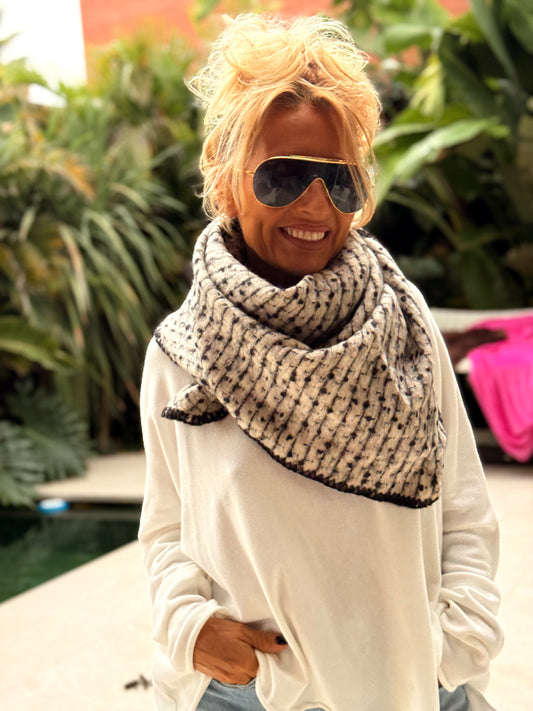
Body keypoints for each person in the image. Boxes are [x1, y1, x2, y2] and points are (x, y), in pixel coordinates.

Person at [138, 13, 503, 711]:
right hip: (250, 695)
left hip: (410, 685)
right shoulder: (183, 353)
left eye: (340, 182)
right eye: (283, 176)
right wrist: (190, 628)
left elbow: (465, 511)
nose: (314, 204)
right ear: (227, 175)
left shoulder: (403, 326)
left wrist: (451, 647)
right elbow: (166, 531)